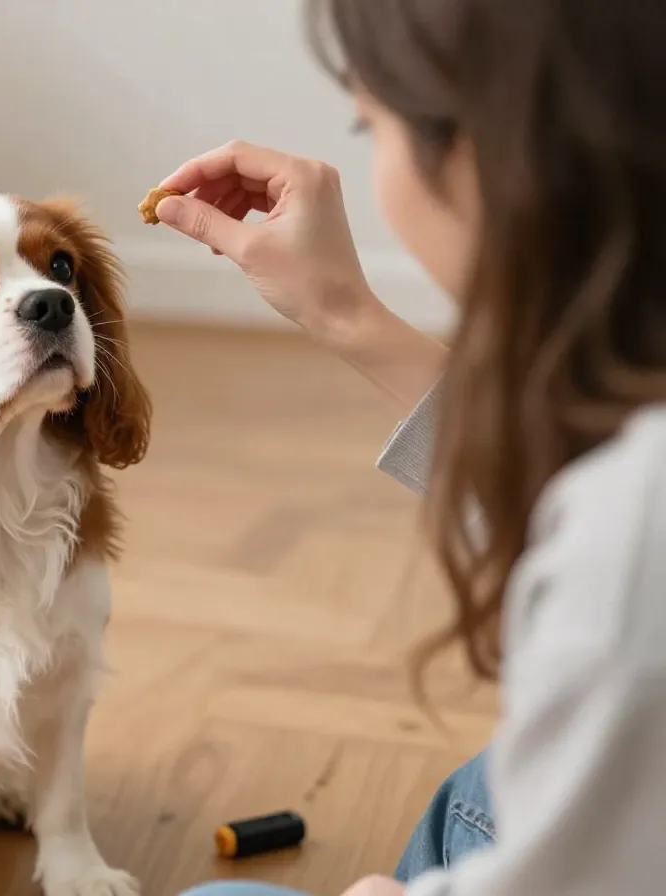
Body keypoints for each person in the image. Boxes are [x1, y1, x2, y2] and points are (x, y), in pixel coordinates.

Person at [151, 2, 666, 895]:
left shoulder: (633, 536)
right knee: (480, 785)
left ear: (488, 150)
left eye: (369, 124)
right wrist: (344, 312)